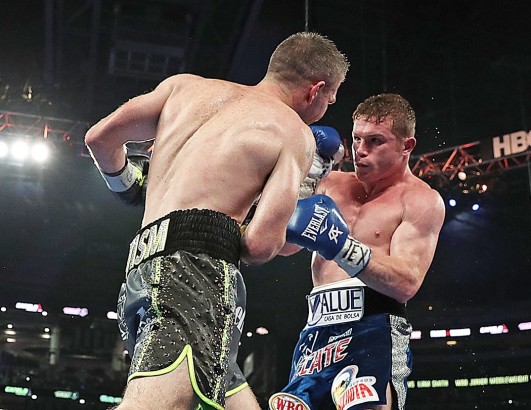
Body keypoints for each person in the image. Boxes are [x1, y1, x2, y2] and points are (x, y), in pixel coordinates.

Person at [84, 31, 349, 410]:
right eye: (331, 98)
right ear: (316, 90)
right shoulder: (294, 134)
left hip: (142, 269)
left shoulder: (183, 88)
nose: (327, 106)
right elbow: (260, 246)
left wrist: (128, 185)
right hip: (197, 275)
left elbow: (99, 138)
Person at [270, 93, 446, 410]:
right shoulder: (331, 182)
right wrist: (306, 183)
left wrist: (341, 246)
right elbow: (283, 247)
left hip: (373, 328)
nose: (360, 151)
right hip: (316, 331)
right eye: (356, 139)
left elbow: (406, 283)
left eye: (375, 141)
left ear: (407, 146)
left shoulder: (420, 200)